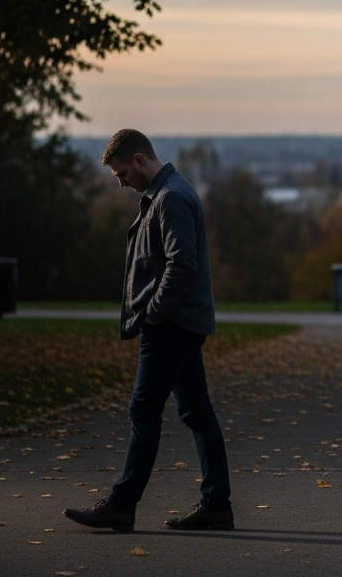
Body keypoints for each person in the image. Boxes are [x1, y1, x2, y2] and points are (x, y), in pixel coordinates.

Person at [64, 129, 233, 532]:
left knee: (144, 409)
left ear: (139, 160)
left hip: (172, 324)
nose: (120, 182)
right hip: (182, 321)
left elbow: (181, 264)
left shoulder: (170, 197)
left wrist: (154, 313)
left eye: (122, 173)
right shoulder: (167, 193)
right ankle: (217, 505)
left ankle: (122, 504)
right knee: (196, 411)